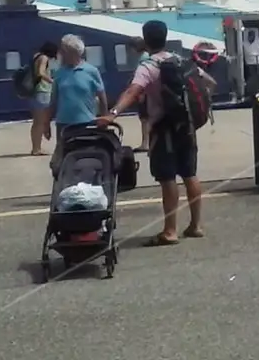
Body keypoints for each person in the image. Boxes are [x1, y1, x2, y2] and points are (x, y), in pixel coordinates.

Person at [98, 20, 216, 246]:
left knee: (167, 178)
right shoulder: (181, 60)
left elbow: (133, 91)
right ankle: (196, 225)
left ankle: (170, 231)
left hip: (163, 129)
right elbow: (210, 83)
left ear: (145, 40)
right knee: (190, 174)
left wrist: (112, 114)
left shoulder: (149, 66)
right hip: (187, 127)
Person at [48, 34, 109, 174]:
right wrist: (46, 124)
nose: (60, 54)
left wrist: (105, 117)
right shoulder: (59, 73)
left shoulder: (91, 71)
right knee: (64, 159)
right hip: (64, 124)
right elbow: (54, 99)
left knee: (86, 157)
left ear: (74, 53)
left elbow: (102, 95)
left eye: (63, 51)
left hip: (86, 122)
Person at [27, 42, 59, 156]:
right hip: (42, 91)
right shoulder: (44, 58)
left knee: (36, 122)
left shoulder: (36, 56)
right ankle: (37, 149)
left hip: (34, 92)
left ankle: (35, 147)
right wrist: (52, 81)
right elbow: (41, 73)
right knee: (40, 122)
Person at [128, 36, 152, 152]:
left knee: (144, 119)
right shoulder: (145, 57)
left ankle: (145, 143)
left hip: (144, 93)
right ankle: (147, 142)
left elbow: (144, 77)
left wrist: (142, 93)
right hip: (146, 92)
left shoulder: (143, 58)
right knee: (145, 118)